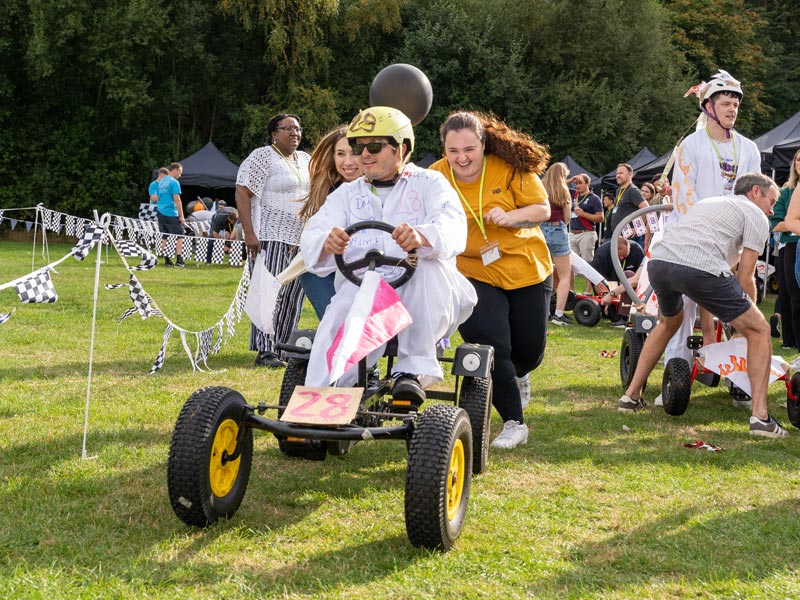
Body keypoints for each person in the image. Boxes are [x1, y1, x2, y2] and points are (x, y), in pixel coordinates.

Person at [301, 106, 476, 405]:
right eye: (358, 147)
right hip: (365, 288)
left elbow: (453, 226)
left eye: (374, 146)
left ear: (401, 149)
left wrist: (422, 235)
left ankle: (412, 370)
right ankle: (323, 398)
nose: (364, 155)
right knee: (336, 317)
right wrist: (326, 240)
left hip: (422, 290)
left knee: (423, 267)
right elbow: (314, 232)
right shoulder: (347, 193)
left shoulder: (430, 183)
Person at [618, 173, 786, 438]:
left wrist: (719, 325)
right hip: (697, 267)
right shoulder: (756, 216)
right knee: (760, 330)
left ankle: (631, 396)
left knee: (668, 323)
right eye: (772, 200)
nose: (773, 208)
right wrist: (745, 323)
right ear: (756, 192)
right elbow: (745, 276)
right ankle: (761, 418)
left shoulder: (712, 204)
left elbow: (713, 273)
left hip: (660, 264)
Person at [429, 110, 553, 450]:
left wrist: (511, 216)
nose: (461, 158)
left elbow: (542, 209)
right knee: (491, 347)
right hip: (472, 270)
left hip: (526, 267)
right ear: (444, 150)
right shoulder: (436, 176)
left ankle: (518, 375)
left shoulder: (511, 167)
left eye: (469, 149)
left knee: (527, 354)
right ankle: (514, 422)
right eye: (453, 151)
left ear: (484, 145)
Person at [658, 70, 762, 405]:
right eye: (726, 103)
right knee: (683, 308)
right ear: (708, 107)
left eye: (735, 103)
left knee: (740, 308)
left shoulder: (749, 149)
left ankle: (742, 380)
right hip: (691, 241)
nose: (732, 109)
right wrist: (705, 245)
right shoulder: (690, 146)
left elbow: (752, 201)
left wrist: (739, 252)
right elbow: (685, 197)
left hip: (732, 245)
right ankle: (676, 377)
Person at [236, 113, 311, 367]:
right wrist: (249, 233)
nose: (295, 133)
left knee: (293, 294)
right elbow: (242, 192)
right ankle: (265, 349)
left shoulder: (305, 160)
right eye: (288, 128)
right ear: (274, 134)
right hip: (269, 235)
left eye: (298, 129)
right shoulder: (262, 156)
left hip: (300, 239)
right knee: (269, 291)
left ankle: (285, 346)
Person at [297, 125, 361, 319]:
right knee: (338, 323)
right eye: (340, 153)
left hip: (365, 265)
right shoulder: (328, 191)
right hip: (328, 267)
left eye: (354, 153)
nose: (347, 162)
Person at [769, 148, 800, 350]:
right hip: (790, 245)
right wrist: (794, 224)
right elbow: (776, 222)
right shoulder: (787, 191)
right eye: (798, 160)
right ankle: (792, 341)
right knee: (792, 296)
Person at [541, 162, 573, 325]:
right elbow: (567, 217)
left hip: (540, 230)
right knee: (564, 276)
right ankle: (558, 314)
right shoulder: (564, 190)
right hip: (557, 230)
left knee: (542, 273)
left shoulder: (540, 187)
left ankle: (543, 312)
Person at [608, 163, 649, 250]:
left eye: (621, 173)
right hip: (619, 235)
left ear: (630, 174)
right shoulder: (619, 190)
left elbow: (646, 209)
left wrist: (637, 228)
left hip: (630, 237)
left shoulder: (632, 190)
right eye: (617, 173)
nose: (618, 175)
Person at [154, 162, 186, 268]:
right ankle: (179, 260)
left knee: (165, 235)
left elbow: (158, 197)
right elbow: (177, 199)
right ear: (175, 170)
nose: (180, 175)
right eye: (180, 172)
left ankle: (167, 260)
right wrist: (181, 215)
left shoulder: (161, 182)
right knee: (180, 235)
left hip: (160, 211)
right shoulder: (174, 182)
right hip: (171, 212)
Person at [568, 173, 603, 262]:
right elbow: (558, 186)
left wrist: (584, 214)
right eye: (576, 183)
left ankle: (588, 276)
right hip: (572, 233)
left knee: (587, 262)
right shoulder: (574, 194)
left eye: (580, 183)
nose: (578, 185)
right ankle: (573, 276)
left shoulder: (594, 198)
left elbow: (601, 218)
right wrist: (571, 179)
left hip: (586, 233)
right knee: (572, 262)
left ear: (587, 184)